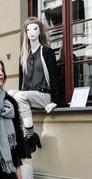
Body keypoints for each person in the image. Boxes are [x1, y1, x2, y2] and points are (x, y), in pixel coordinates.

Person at [8, 17, 63, 153]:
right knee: (9, 94)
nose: (32, 32)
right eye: (28, 29)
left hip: (44, 95)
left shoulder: (47, 52)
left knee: (20, 95)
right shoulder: (24, 56)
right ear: (25, 33)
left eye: (35, 28)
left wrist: (55, 100)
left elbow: (54, 77)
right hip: (28, 95)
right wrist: (19, 99)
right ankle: (16, 133)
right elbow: (22, 84)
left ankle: (31, 135)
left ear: (40, 31)